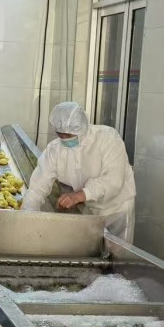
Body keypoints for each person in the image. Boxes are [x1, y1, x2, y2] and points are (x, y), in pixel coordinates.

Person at [22, 101, 136, 241]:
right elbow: (39, 185)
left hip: (116, 209)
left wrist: (80, 195)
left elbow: (114, 181)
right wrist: (29, 211)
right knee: (93, 247)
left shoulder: (107, 139)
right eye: (60, 134)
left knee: (118, 250)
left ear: (81, 128)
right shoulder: (55, 149)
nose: (64, 139)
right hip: (89, 208)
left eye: (68, 135)